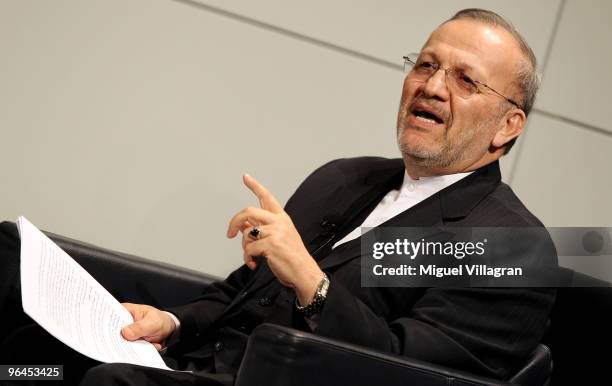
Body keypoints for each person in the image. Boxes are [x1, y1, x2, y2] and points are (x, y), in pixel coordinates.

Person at [0, 8, 557, 386]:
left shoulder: (506, 243)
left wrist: (312, 284)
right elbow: (244, 290)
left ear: (508, 125)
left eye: (465, 80)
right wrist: (173, 322)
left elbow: (402, 370)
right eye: (428, 64)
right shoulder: (346, 177)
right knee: (28, 355)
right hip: (193, 360)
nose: (432, 86)